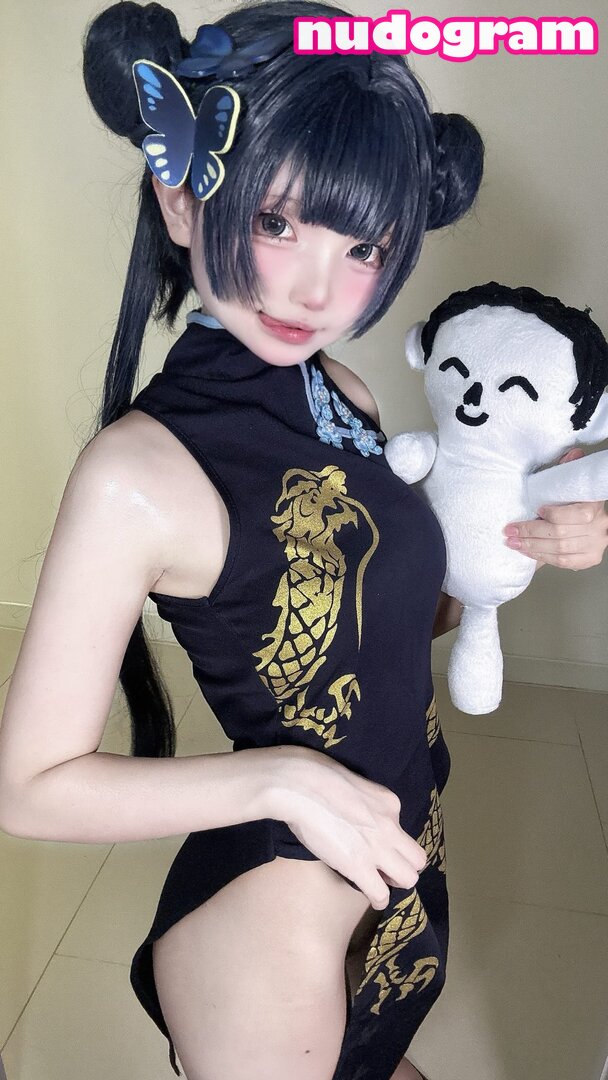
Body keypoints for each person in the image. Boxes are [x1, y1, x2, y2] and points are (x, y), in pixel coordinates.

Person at [0, 2, 606, 1079]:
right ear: (180, 196)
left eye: (361, 245)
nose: (316, 290)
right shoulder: (137, 476)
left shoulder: (343, 390)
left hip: (388, 858)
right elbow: (30, 786)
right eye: (276, 222)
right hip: (272, 928)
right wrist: (280, 782)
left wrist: (514, 549)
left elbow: (376, 621)